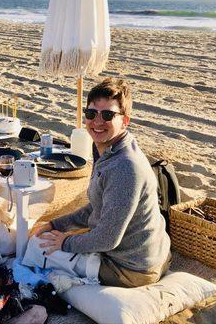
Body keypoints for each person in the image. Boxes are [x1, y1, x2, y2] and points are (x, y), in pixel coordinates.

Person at [31, 78, 171, 288]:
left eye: (107, 115)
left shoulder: (124, 167)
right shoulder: (112, 150)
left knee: (36, 248)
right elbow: (97, 208)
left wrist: (65, 242)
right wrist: (55, 224)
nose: (97, 122)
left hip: (131, 269)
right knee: (50, 235)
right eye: (91, 114)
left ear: (125, 120)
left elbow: (107, 239)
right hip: (146, 252)